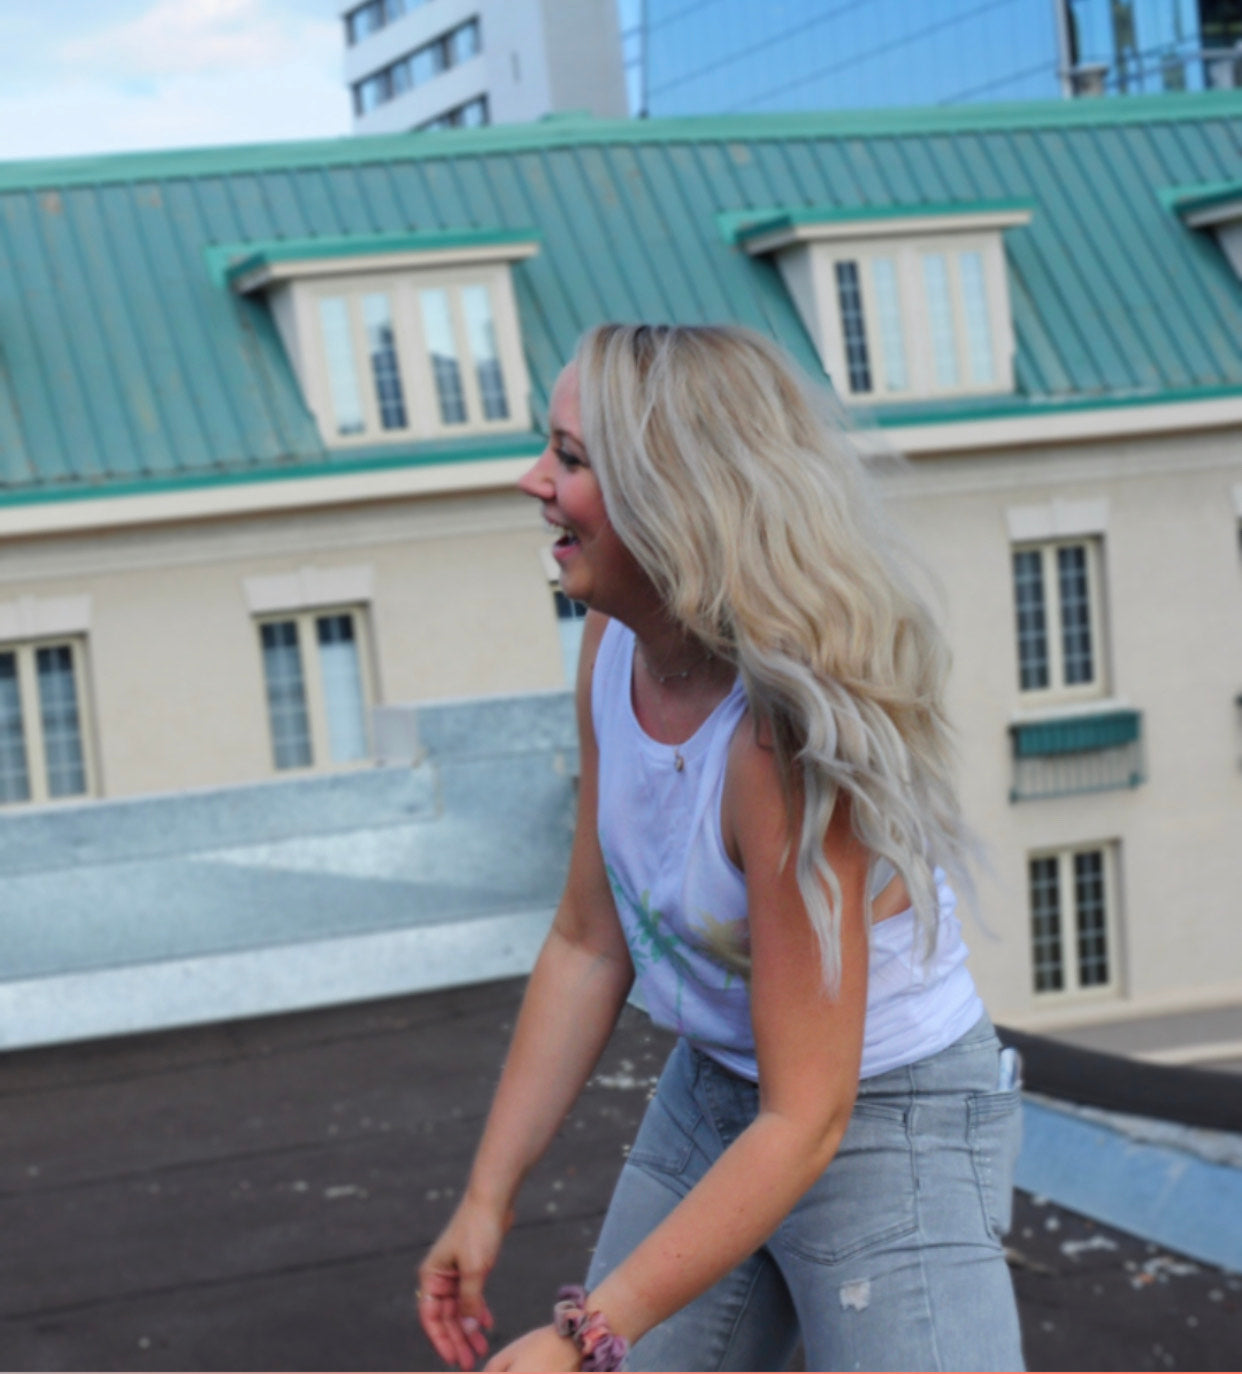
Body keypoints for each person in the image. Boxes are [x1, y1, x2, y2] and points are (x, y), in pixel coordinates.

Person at [416, 323, 1025, 1372]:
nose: (533, 481)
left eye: (569, 457)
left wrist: (583, 1336)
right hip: (719, 1091)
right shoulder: (614, 646)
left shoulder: (781, 745)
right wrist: (485, 1199)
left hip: (885, 1121)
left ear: (671, 495)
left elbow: (807, 1116)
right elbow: (588, 941)